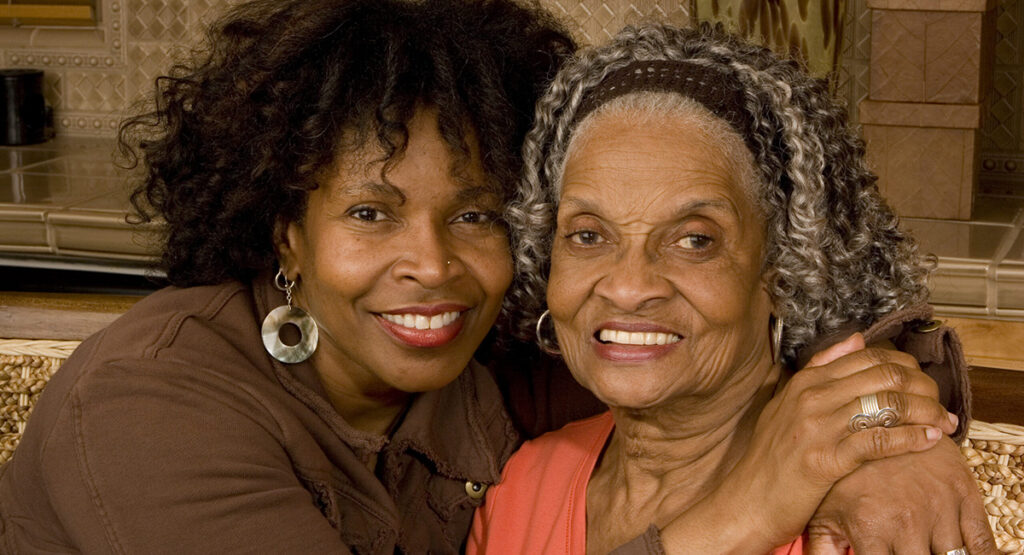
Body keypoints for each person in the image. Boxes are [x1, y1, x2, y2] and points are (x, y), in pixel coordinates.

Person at [0, 1, 991, 553]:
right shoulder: (149, 410)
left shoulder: (495, 347)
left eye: (475, 214)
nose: (430, 266)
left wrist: (888, 438)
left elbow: (739, 333)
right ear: (284, 232)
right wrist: (750, 506)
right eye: (369, 213)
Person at [470, 22, 992, 554]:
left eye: (695, 240)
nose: (628, 287)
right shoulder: (521, 489)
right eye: (587, 235)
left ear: (782, 267)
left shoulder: (871, 518)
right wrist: (739, 517)